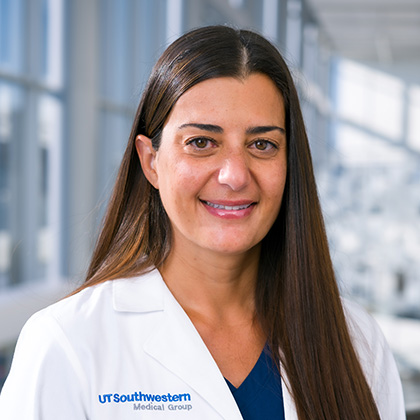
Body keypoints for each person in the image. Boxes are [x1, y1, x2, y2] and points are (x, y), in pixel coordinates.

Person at [0, 26, 405, 420]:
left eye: (262, 144)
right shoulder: (68, 343)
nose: (235, 175)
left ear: (289, 162)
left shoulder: (356, 342)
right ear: (151, 161)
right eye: (201, 142)